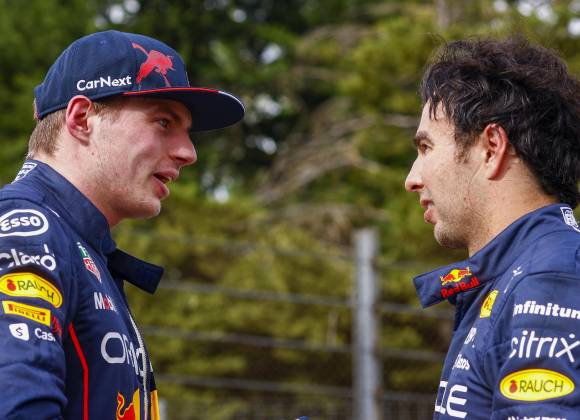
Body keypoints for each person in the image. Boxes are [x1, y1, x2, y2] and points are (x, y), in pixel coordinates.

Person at [0, 30, 244, 419]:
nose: (188, 152)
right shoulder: (27, 229)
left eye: (186, 131)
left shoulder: (77, 243)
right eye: (163, 122)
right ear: (82, 119)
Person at [405, 36, 580, 419]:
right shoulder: (519, 275)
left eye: (425, 148)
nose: (412, 179)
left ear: (491, 147)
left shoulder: (549, 280)